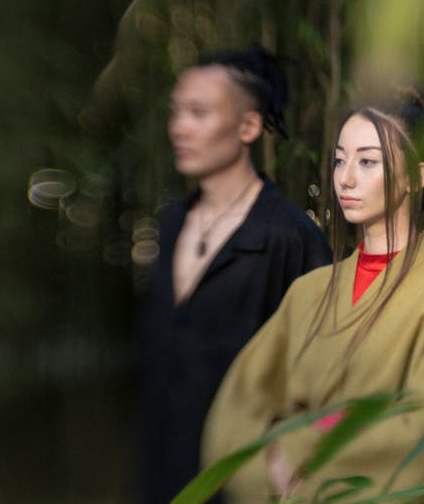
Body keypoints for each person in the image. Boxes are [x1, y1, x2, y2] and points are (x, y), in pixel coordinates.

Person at [201, 90, 424, 502]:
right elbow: (238, 408)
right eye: (340, 159)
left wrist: (299, 455)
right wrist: (266, 472)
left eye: (367, 161)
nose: (346, 178)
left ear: (415, 176)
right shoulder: (307, 292)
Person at [137, 45, 331, 504]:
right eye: (176, 112)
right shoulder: (170, 225)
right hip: (161, 471)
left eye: (198, 113)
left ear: (248, 125)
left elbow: (325, 367)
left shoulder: (289, 237)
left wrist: (293, 460)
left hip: (247, 479)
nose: (178, 127)